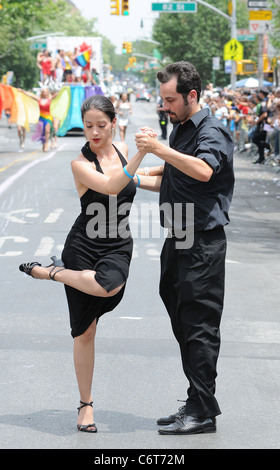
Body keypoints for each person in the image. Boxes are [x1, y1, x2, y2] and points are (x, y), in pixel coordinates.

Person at [18, 95, 146, 433]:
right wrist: (143, 154)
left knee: (110, 285)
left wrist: (170, 163)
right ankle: (85, 405)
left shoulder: (120, 152)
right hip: (83, 247)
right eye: (88, 126)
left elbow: (141, 178)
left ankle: (52, 273)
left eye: (100, 126)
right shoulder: (80, 164)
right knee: (85, 330)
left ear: (113, 123)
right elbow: (112, 185)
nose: (94, 132)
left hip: (118, 244)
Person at [135, 61, 234, 435]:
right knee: (182, 322)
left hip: (202, 243)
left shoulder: (213, 131)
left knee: (199, 328)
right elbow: (174, 179)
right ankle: (195, 400)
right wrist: (129, 177)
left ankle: (204, 413)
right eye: (163, 99)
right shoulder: (180, 130)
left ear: (192, 95)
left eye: (170, 99)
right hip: (178, 238)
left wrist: (158, 149)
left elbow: (204, 171)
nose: (165, 106)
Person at [18, 87, 58, 152]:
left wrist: (64, 88)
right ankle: (43, 143)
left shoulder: (49, 99)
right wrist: (22, 91)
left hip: (48, 117)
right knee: (42, 132)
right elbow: (30, 95)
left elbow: (56, 95)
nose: (45, 93)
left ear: (47, 93)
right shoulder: (39, 99)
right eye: (44, 92)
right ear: (42, 93)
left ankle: (46, 144)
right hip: (41, 118)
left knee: (47, 130)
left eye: (46, 92)